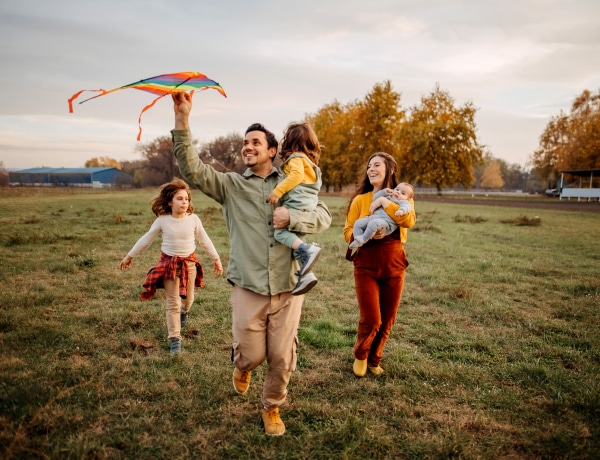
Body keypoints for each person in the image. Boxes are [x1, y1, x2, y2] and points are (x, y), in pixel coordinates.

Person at [170, 92, 332, 436]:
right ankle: (242, 363)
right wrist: (183, 120)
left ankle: (271, 406)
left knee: (283, 357)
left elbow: (324, 215)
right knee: (253, 355)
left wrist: (294, 215)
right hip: (249, 285)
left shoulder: (292, 181)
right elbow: (192, 169)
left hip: (290, 286)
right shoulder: (230, 186)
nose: (248, 146)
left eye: (256, 142)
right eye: (245, 142)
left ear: (272, 151)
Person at [119, 179, 223, 355]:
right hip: (169, 264)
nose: (184, 202)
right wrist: (129, 256)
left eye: (187, 199)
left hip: (189, 264)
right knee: (173, 303)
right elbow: (146, 239)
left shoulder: (193, 219)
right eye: (180, 199)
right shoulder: (163, 220)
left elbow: (204, 240)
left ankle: (185, 312)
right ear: (170, 202)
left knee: (188, 300)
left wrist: (216, 258)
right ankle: (175, 339)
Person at [343, 153, 416, 378]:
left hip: (395, 263)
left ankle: (375, 358)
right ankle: (362, 355)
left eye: (377, 165)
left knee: (387, 318)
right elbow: (348, 232)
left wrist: (385, 201)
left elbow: (408, 221)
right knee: (372, 318)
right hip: (366, 264)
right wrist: (370, 235)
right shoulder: (360, 200)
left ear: (390, 170)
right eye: (369, 166)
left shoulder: (404, 197)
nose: (371, 169)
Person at [267, 122, 323, 295]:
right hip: (308, 205)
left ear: (289, 142)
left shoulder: (297, 158)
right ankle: (306, 275)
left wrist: (278, 190)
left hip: (297, 204)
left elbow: (296, 176)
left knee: (280, 234)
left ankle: (308, 249)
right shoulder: (311, 164)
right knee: (294, 242)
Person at [348, 182, 414, 250]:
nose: (398, 192)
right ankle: (358, 239)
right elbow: (375, 197)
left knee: (373, 223)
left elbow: (406, 207)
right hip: (374, 217)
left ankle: (363, 239)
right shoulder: (388, 196)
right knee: (358, 223)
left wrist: (401, 211)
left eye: (403, 193)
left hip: (386, 223)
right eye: (397, 189)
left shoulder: (403, 202)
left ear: (408, 199)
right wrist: (384, 191)